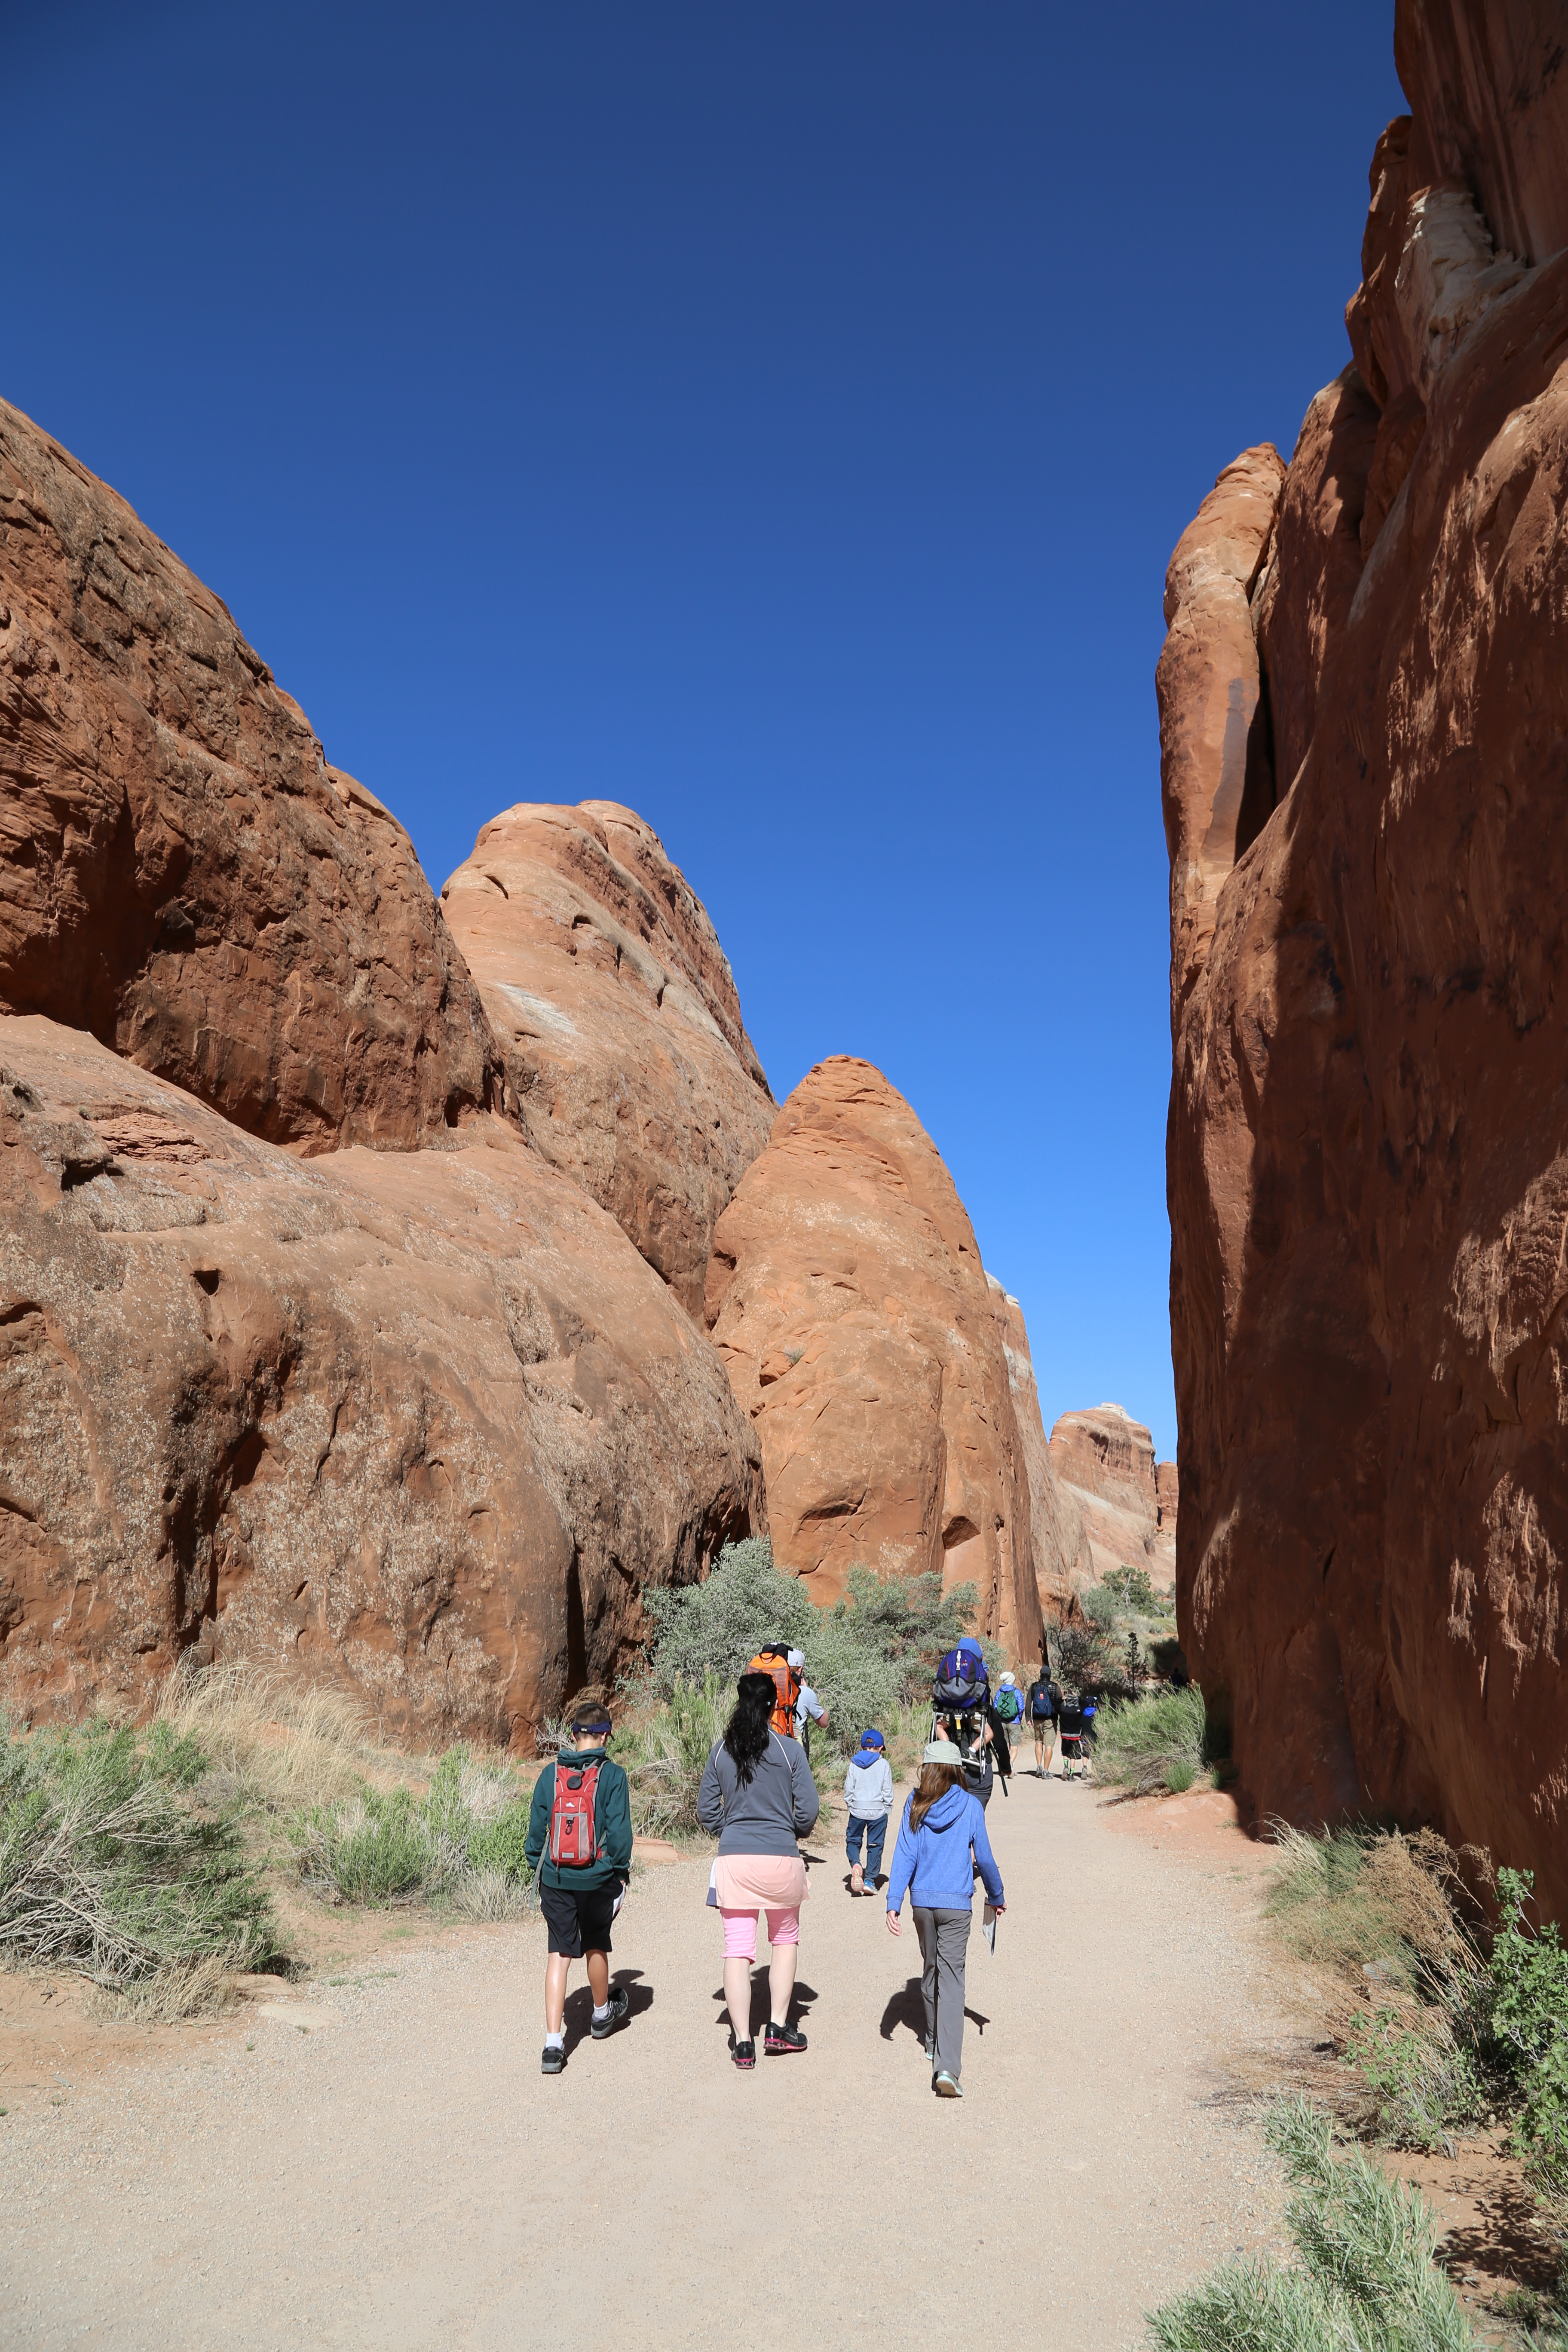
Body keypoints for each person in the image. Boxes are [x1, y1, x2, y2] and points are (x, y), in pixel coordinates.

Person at [698, 1668, 820, 2069]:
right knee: (784, 1940)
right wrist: (792, 1833)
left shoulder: (721, 1750)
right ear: (774, 1706)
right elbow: (809, 1811)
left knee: (737, 1950)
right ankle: (779, 2028)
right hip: (781, 1858)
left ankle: (743, 2042)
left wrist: (728, 1832)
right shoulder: (789, 1750)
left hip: (734, 1861)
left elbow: (705, 1811)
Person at [885, 1739, 1004, 2098]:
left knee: (930, 1968)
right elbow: (984, 1857)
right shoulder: (970, 1805)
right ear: (957, 1770)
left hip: (922, 1904)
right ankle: (948, 2067)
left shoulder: (915, 1803)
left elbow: (904, 1853)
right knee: (952, 1980)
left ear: (927, 1769)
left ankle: (933, 2040)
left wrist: (894, 1901)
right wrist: (997, 1896)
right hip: (956, 1906)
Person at [525, 1699, 634, 2076]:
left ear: (573, 1735)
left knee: (559, 1952)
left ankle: (553, 2044)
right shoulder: (614, 1775)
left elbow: (536, 1835)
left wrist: (539, 1870)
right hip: (599, 1877)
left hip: (556, 1878)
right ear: (606, 1736)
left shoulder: (549, 1774)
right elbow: (620, 1835)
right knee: (596, 1943)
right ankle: (602, 2015)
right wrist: (619, 1872)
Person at [842, 1727, 894, 1895]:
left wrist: (851, 1804)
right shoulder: (883, 1764)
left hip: (857, 1809)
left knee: (853, 1840)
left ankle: (856, 1864)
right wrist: (888, 1808)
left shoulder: (854, 1763)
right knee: (875, 1845)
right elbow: (887, 1791)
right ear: (880, 1748)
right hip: (878, 1811)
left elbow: (849, 1788)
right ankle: (870, 1881)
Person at [788, 1647, 829, 1756]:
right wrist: (808, 1691)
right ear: (800, 1669)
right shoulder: (805, 1693)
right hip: (793, 1752)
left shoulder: (771, 1687)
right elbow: (824, 1722)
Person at [1025, 1662, 1057, 1777]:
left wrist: (1028, 1718)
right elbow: (1059, 1704)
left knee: (1039, 1742)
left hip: (1037, 1718)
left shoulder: (1034, 1686)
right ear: (1050, 1675)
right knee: (1049, 1745)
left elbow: (1028, 1703)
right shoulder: (1054, 1687)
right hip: (1051, 1719)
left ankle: (1039, 1766)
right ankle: (1046, 1771)